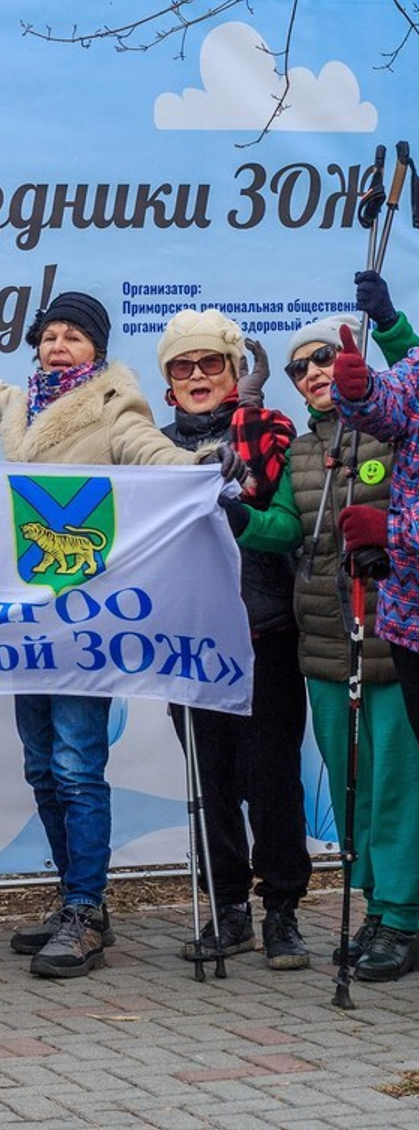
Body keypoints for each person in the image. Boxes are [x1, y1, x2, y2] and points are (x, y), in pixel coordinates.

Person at [0, 282, 241, 978]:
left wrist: (202, 469)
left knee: (79, 766)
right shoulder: (22, 404)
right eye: (49, 335)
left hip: (87, 622)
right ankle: (71, 901)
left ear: (97, 349)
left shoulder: (116, 403)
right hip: (28, 620)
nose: (57, 344)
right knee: (40, 767)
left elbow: (149, 452)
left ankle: (87, 909)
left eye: (72, 336)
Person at [235, 288, 419, 982]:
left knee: (398, 784)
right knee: (352, 788)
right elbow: (285, 528)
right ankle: (376, 908)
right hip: (323, 645)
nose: (312, 371)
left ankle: (404, 915)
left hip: (393, 640)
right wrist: (244, 521)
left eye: (324, 359)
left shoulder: (392, 429)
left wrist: (393, 331)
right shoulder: (306, 452)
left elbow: (413, 380)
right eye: (299, 367)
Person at [155, 309, 311, 970]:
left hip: (261, 632)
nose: (196, 376)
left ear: (232, 371)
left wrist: (237, 511)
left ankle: (281, 911)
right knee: (212, 780)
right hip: (189, 641)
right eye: (182, 368)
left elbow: (289, 532)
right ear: (167, 385)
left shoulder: (270, 435)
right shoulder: (150, 450)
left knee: (271, 778)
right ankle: (229, 909)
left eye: (209, 364)